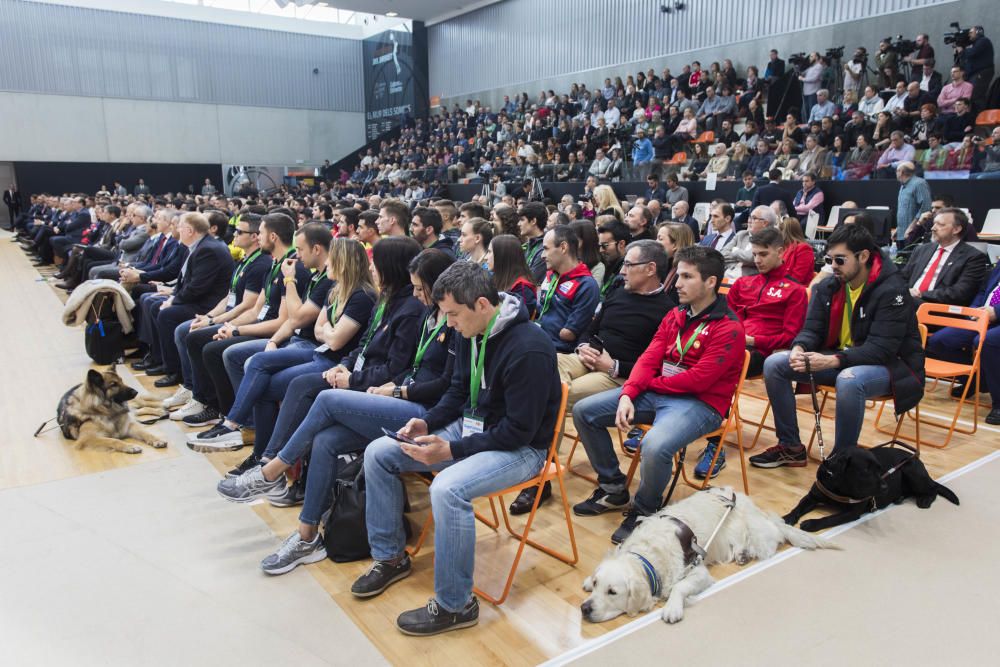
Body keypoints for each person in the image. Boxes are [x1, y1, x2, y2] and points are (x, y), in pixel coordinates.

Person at [349, 262, 562, 636]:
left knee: (447, 489)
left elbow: (518, 430)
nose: (448, 324)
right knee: (379, 453)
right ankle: (390, 558)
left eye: (452, 315)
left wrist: (450, 451)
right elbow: (458, 391)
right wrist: (428, 423)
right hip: (476, 429)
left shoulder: (530, 348)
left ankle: (455, 604)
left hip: (523, 449)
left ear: (481, 304)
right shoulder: (470, 331)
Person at [219, 251, 457, 569]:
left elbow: (443, 384)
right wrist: (366, 377)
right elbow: (385, 357)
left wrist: (393, 388)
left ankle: (271, 470)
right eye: (413, 287)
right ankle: (307, 537)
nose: (415, 294)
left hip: (423, 412)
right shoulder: (427, 314)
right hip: (398, 397)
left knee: (324, 399)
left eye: (420, 287)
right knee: (326, 440)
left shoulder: (446, 320)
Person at [571, 246, 745, 544]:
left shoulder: (729, 328)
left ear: (711, 282)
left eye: (687, 277)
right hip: (661, 391)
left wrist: (648, 386)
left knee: (654, 445)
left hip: (701, 404)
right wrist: (628, 393)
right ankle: (614, 488)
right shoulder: (675, 314)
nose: (676, 283)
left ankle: (645, 508)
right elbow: (649, 359)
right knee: (584, 411)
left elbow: (699, 380)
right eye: (678, 275)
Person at [750, 224, 924, 468]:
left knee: (849, 379)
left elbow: (881, 350)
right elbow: (812, 330)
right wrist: (799, 347)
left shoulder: (892, 290)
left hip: (893, 367)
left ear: (863, 256)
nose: (833, 266)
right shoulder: (828, 286)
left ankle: (842, 460)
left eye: (840, 260)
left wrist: (832, 360)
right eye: (830, 259)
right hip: (841, 359)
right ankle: (790, 446)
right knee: (775, 363)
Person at [162, 214, 272, 417]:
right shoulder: (244, 261)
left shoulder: (261, 264)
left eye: (240, 231)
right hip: (231, 315)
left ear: (255, 236)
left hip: (248, 321)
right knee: (189, 330)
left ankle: (208, 402)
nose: (234, 234)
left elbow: (248, 306)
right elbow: (228, 297)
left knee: (197, 338)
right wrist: (208, 317)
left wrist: (217, 322)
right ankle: (193, 389)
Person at [139, 212, 235, 387]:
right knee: (154, 304)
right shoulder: (198, 246)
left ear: (190, 230)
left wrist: (174, 300)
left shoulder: (208, 249)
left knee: (167, 314)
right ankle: (160, 359)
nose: (178, 230)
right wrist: (172, 295)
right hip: (200, 298)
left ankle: (174, 371)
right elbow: (186, 281)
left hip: (209, 304)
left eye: (180, 227)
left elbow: (197, 287)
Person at [926, 263, 1000, 426]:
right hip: (983, 316)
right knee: (940, 341)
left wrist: (997, 311)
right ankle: (975, 379)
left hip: (996, 317)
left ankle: (998, 403)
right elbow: (983, 291)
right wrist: (975, 309)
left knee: (988, 341)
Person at [899, 208, 989, 307]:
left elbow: (960, 292)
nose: (933, 228)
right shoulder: (921, 250)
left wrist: (920, 294)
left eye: (940, 225)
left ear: (956, 229)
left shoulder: (973, 257)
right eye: (934, 223)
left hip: (938, 306)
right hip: (908, 301)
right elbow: (902, 278)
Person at [537, 226, 599, 353]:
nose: (542, 256)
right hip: (539, 340)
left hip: (558, 351)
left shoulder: (586, 285)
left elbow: (568, 334)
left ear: (563, 247)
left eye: (546, 249)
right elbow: (539, 310)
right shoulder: (551, 275)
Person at [487, 234, 537, 318]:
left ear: (501, 256)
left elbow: (519, 321)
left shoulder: (522, 288)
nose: (486, 257)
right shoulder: (495, 278)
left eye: (489, 252)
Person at [724, 205, 776, 280]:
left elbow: (751, 258)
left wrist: (735, 251)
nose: (749, 221)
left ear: (765, 223)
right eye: (749, 217)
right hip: (728, 276)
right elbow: (723, 254)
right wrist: (736, 264)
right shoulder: (741, 234)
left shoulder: (770, 238)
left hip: (750, 281)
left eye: (754, 218)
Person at [894, 161, 931, 246]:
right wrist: (898, 229)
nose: (896, 173)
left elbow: (925, 208)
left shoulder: (919, 184)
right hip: (901, 234)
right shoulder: (903, 186)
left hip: (914, 234)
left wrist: (912, 227)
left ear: (901, 172)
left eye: (897, 171)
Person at [596, 217, 630, 297]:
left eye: (605, 245)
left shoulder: (629, 271)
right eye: (600, 246)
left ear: (621, 244)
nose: (601, 250)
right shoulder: (607, 263)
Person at [778, 215, 815, 285]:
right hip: (782, 286)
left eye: (780, 230)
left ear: (785, 232)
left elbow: (797, 279)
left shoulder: (804, 249)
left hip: (797, 290)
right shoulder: (782, 247)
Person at [517, 201, 548, 282]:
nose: (518, 224)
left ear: (533, 221)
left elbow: (531, 280)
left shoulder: (544, 248)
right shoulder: (527, 245)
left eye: (522, 220)